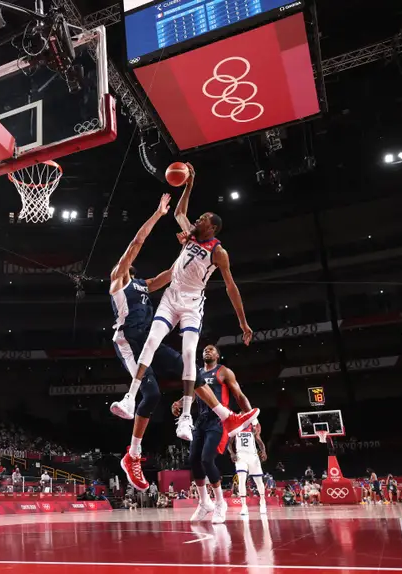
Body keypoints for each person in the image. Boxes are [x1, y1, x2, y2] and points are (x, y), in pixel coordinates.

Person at [108, 194, 257, 491]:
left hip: (158, 331)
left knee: (193, 369)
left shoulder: (144, 285)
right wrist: (157, 215)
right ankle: (132, 455)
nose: (129, 268)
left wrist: (187, 248)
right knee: (150, 396)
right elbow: (135, 244)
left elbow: (172, 274)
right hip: (128, 343)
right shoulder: (117, 280)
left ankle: (225, 416)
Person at [127, 164, 254, 442]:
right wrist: (189, 184)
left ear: (213, 227)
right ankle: (130, 396)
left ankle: (185, 417)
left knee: (187, 355)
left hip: (193, 303)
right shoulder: (190, 233)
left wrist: (243, 323)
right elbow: (179, 213)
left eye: (204, 218)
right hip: (172, 296)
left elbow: (231, 287)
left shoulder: (219, 252)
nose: (198, 219)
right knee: (152, 339)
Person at [178, 345, 259, 523]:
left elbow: (239, 395)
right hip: (200, 420)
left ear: (217, 355)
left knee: (207, 459)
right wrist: (179, 403)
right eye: (205, 349)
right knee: (193, 460)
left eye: (211, 349)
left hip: (219, 421)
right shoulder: (197, 373)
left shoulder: (224, 372)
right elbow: (191, 394)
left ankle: (220, 503)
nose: (207, 351)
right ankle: (204, 502)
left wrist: (253, 420)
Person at [228, 408, 268, 516]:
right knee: (241, 480)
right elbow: (229, 444)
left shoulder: (252, 429)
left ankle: (263, 501)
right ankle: (244, 506)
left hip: (253, 456)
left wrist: (263, 451)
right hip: (241, 456)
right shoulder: (236, 429)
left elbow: (260, 442)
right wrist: (232, 453)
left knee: (258, 481)